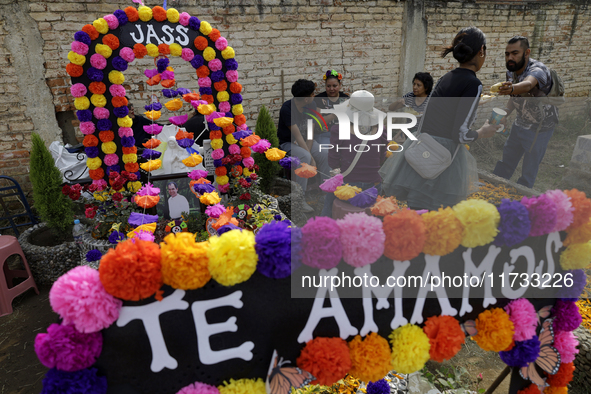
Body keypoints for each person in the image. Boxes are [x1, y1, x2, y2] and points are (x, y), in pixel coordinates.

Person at [379, 26, 500, 211]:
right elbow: (460, 135)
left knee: (416, 208)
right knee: (435, 214)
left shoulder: (447, 77)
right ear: (482, 50)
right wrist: (482, 132)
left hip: (423, 149)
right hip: (442, 159)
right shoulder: (473, 83)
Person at [492, 36, 559, 189]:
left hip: (539, 129)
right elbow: (515, 97)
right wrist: (504, 114)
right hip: (519, 123)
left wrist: (511, 88)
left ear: (527, 52)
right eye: (507, 54)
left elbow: (528, 85)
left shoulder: (538, 70)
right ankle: (493, 190)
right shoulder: (512, 71)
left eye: (515, 53)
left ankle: (520, 201)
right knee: (506, 161)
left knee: (528, 170)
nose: (510, 57)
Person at [320, 90, 387, 217]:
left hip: (347, 186)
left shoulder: (339, 129)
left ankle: (325, 227)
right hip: (373, 187)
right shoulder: (381, 130)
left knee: (328, 204)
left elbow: (333, 161)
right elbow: (381, 158)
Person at [278, 79, 331, 213]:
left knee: (324, 153)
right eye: (312, 94)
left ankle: (326, 192)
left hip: (306, 141)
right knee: (305, 157)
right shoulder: (287, 109)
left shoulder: (312, 105)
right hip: (288, 142)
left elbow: (310, 133)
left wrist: (311, 153)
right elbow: (297, 136)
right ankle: (299, 200)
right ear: (305, 98)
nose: (314, 95)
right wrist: (310, 157)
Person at [315, 70, 350, 145]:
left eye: (334, 86)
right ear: (325, 86)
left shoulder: (345, 99)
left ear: (340, 85)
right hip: (323, 135)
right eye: (328, 86)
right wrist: (335, 114)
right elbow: (316, 123)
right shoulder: (318, 99)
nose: (331, 89)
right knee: (330, 151)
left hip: (342, 134)